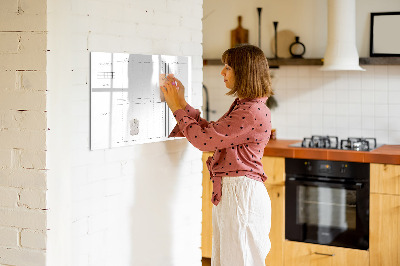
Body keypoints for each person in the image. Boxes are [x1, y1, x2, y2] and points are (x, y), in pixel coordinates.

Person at [161, 44, 273, 266]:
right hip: (236, 193)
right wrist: (182, 103)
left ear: (244, 72)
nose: (222, 72)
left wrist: (176, 107)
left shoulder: (250, 111)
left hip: (241, 195)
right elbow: (212, 133)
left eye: (228, 67)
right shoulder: (246, 106)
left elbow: (204, 141)